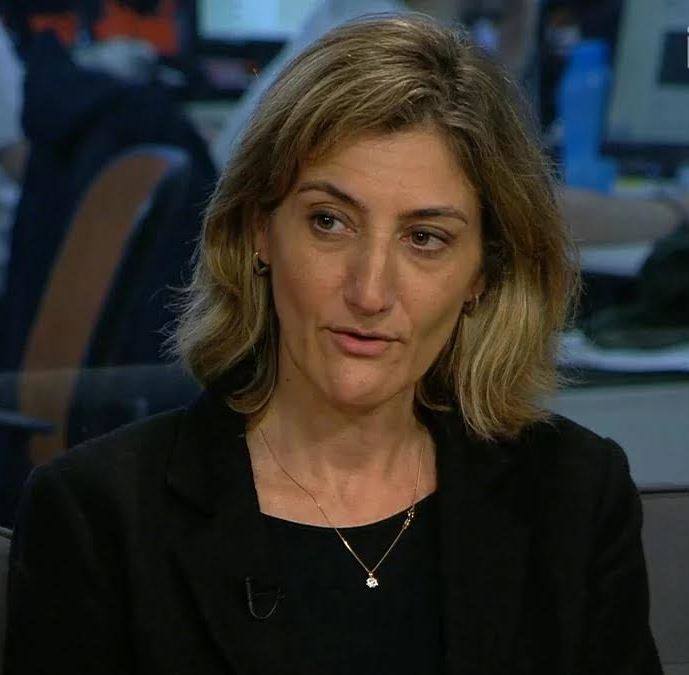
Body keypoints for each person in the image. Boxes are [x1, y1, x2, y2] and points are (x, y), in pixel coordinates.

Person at [3, 12, 663, 675]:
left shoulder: (573, 498)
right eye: (329, 222)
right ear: (258, 232)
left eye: (424, 238)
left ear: (481, 275)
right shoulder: (98, 516)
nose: (370, 291)